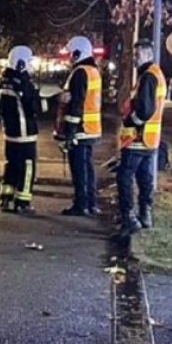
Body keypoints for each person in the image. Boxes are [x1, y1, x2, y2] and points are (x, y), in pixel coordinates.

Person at [114, 40, 167, 238]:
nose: (135, 59)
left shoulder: (148, 77)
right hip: (150, 139)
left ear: (146, 54)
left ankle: (129, 219)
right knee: (145, 177)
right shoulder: (156, 74)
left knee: (124, 177)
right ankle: (145, 214)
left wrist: (130, 121)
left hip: (138, 138)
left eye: (137, 55)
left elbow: (145, 109)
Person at [54, 35, 103, 216]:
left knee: (79, 170)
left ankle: (81, 204)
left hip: (80, 131)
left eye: (70, 54)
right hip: (91, 130)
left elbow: (76, 106)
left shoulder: (80, 72)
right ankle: (90, 203)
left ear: (77, 53)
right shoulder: (93, 71)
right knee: (88, 169)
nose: (68, 58)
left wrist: (69, 133)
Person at [0, 45, 45, 215]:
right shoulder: (24, 84)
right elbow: (34, 108)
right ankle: (22, 201)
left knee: (11, 164)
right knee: (27, 166)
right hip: (25, 134)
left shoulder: (4, 81)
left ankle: (6, 197)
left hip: (10, 133)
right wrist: (44, 101)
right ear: (21, 63)